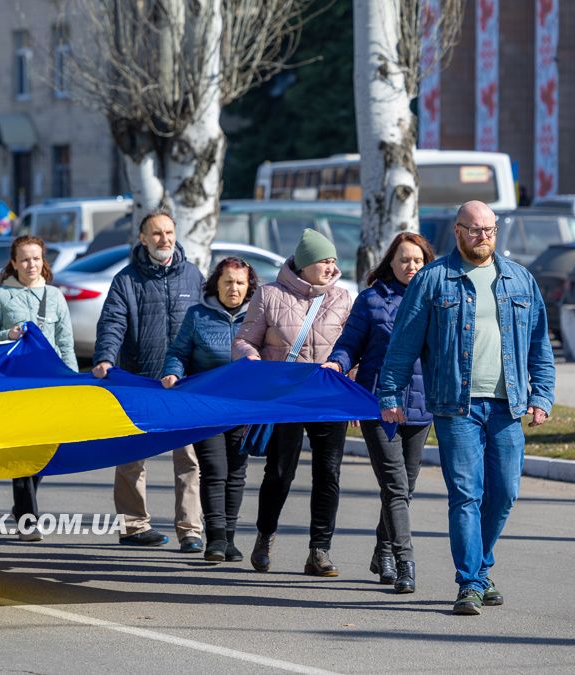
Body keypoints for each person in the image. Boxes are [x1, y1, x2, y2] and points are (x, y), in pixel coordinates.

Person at [377, 201, 555, 615]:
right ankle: (470, 582)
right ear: (458, 231)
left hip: (507, 404)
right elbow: (403, 343)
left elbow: (539, 345)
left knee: (506, 492)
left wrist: (542, 395)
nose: (483, 238)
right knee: (466, 494)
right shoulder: (434, 279)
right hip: (455, 405)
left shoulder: (519, 279)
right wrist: (390, 395)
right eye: (475, 230)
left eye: (490, 231)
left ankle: (481, 565)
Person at [233, 228, 352, 576]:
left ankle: (320, 550)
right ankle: (265, 535)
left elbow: (351, 348)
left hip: (328, 397)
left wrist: (353, 381)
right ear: (303, 264)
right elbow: (244, 340)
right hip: (285, 398)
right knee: (280, 472)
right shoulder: (269, 295)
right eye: (323, 261)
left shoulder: (343, 298)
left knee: (328, 473)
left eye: (333, 261)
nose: (331, 267)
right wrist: (251, 360)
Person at [324, 232, 436, 594]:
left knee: (406, 488)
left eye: (418, 260)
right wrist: (337, 365)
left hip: (421, 407)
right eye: (404, 259)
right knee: (395, 485)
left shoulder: (436, 299)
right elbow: (350, 344)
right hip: (378, 405)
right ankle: (405, 563)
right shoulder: (372, 300)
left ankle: (383, 550)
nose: (411, 266)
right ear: (390, 262)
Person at [91, 209, 205, 551]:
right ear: (143, 239)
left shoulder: (193, 276)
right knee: (132, 458)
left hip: (184, 383)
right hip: (140, 380)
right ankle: (134, 526)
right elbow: (112, 323)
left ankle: (191, 530)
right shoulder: (126, 280)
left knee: (189, 459)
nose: (164, 239)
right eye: (156, 234)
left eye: (169, 232)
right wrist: (105, 358)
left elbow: (207, 324)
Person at [0, 235, 76, 541]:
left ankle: (21, 508)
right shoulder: (2, 296)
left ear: (43, 261)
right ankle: (29, 519)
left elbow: (66, 343)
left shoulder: (55, 296)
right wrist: (8, 333)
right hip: (15, 384)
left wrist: (74, 382)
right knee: (21, 449)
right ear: (14, 263)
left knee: (45, 449)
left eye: (36, 258)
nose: (31, 265)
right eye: (24, 259)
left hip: (49, 383)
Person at [160, 257, 258, 562]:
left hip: (243, 408)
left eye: (240, 283)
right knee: (215, 470)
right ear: (216, 283)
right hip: (207, 406)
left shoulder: (257, 317)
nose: (234, 288)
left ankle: (229, 538)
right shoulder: (198, 315)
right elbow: (178, 352)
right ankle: (215, 537)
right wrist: (172, 372)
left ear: (249, 287)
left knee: (237, 473)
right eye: (228, 281)